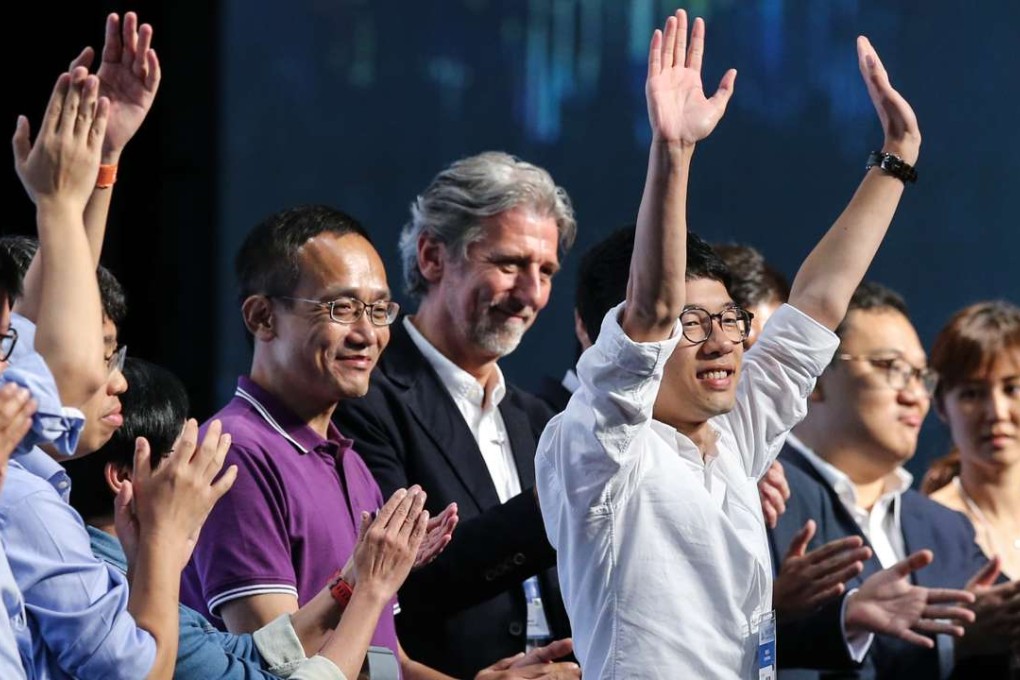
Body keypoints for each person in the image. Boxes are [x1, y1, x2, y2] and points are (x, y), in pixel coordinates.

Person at [536, 10, 971, 676]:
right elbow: (651, 307)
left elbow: (820, 303)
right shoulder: (597, 446)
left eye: (729, 320)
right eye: (692, 325)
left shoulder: (736, 435)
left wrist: (897, 160)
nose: (718, 343)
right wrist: (672, 153)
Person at [182, 204, 576, 680]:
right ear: (263, 317)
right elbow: (277, 667)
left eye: (378, 309)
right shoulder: (237, 456)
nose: (367, 333)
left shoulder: (348, 461)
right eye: (342, 308)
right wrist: (360, 583)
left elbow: (383, 664)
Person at [333, 149, 578, 676]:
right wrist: (556, 502)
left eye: (546, 270)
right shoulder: (365, 399)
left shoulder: (536, 419)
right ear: (432, 258)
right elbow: (396, 583)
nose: (530, 293)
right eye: (509, 264)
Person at [66, 357, 442, 680]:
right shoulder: (112, 591)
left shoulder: (132, 571)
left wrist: (353, 581)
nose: (200, 473)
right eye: (181, 458)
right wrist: (372, 590)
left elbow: (243, 654)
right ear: (125, 478)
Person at [774, 284, 1017, 678]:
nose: (915, 395)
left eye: (920, 376)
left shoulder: (945, 527)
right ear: (815, 379)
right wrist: (952, 644)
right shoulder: (764, 496)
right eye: (890, 367)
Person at [922, 301, 1020, 581]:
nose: (997, 412)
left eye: (1013, 388)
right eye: (972, 394)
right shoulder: (929, 526)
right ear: (941, 405)